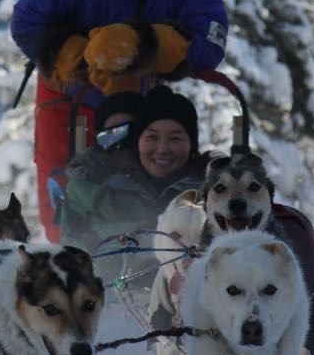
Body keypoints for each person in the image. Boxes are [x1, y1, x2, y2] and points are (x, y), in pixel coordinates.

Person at [10, 0, 228, 239]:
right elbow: (26, 23)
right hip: (67, 93)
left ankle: (148, 266)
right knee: (65, 199)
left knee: (140, 195)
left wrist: (147, 45)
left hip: (141, 98)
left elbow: (212, 40)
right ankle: (73, 266)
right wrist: (83, 57)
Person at [60, 86, 208, 259]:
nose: (120, 146)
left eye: (127, 134)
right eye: (109, 137)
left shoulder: (206, 187)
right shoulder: (94, 186)